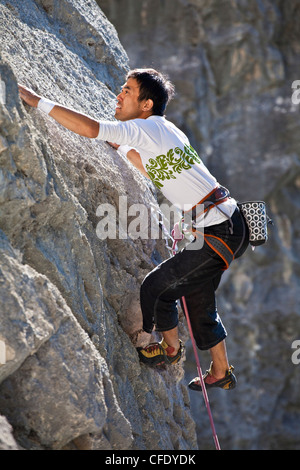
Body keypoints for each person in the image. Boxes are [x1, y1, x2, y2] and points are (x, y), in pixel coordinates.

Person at [18, 68, 249, 391]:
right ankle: (220, 370)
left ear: (146, 104)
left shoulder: (144, 128)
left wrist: (37, 101)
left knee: (156, 288)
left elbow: (89, 128)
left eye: (127, 90)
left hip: (220, 228)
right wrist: (123, 151)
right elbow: (155, 169)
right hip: (225, 223)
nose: (119, 95)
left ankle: (170, 348)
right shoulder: (164, 130)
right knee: (197, 295)